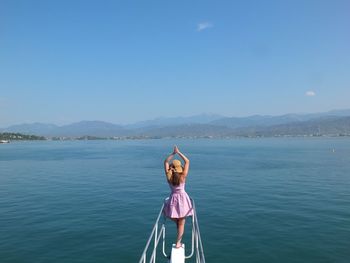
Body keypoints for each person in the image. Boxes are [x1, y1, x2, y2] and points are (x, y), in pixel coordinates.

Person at [163, 145, 193, 248]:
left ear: (172, 168)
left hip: (173, 199)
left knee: (172, 216)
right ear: (180, 168)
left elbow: (166, 162)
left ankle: (177, 222)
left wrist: (172, 154)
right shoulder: (183, 177)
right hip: (183, 199)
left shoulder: (169, 177)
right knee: (181, 223)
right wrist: (178, 152)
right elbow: (187, 161)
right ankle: (178, 243)